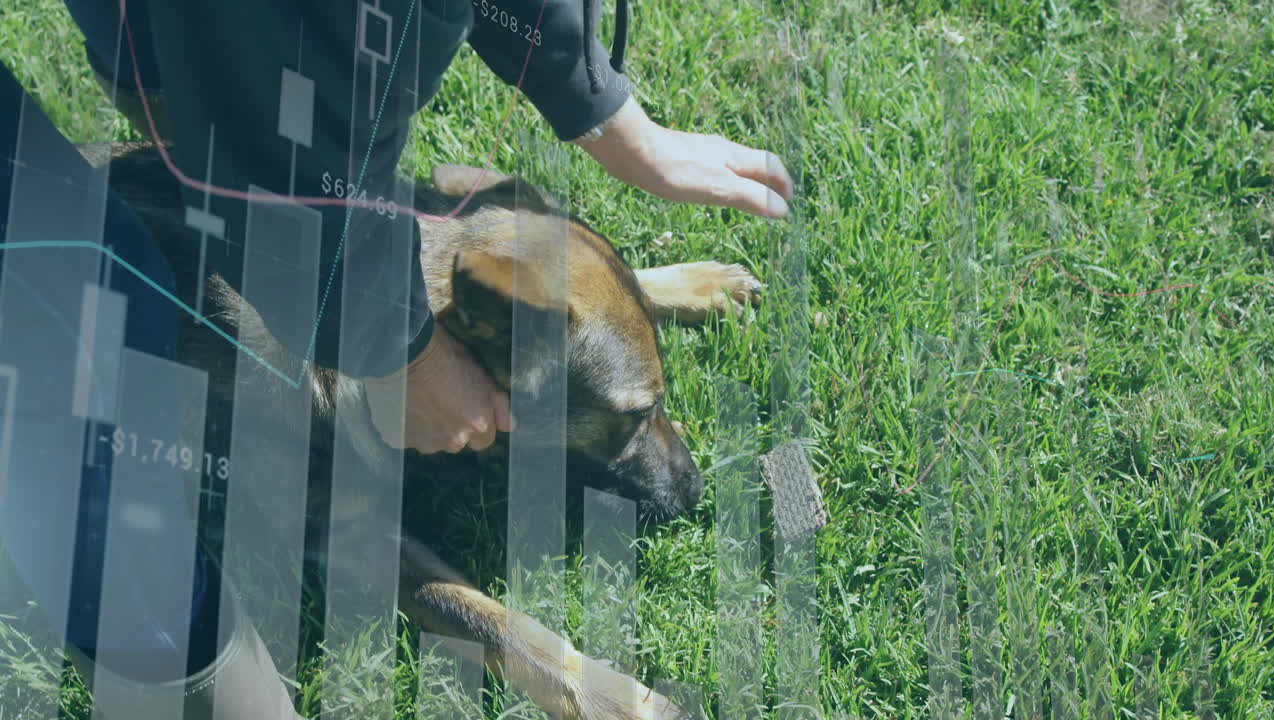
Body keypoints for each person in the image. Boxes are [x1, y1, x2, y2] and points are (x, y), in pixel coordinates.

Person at [1, 0, 795, 717]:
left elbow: (470, 237)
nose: (658, 444)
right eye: (632, 420)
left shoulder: (453, 244)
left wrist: (602, 107)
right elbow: (345, 533)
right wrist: (404, 358)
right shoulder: (266, 362)